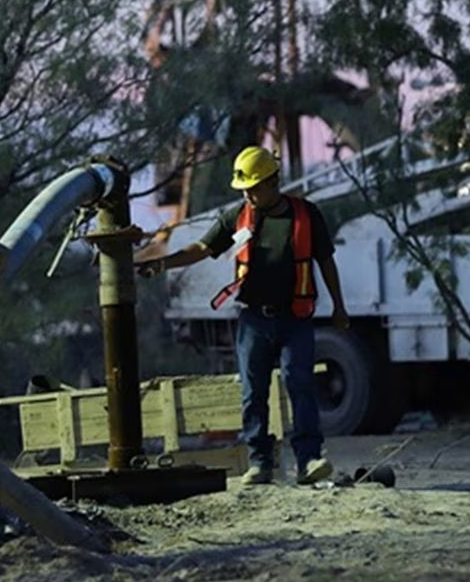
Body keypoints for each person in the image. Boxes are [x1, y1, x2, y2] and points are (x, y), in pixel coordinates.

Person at [136, 146, 350, 485]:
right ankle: (259, 463)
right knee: (253, 392)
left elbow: (326, 261)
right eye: (244, 189)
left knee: (300, 384)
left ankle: (309, 460)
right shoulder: (238, 216)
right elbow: (202, 248)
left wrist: (339, 306)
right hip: (254, 320)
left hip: (295, 318)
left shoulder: (306, 215)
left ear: (273, 182)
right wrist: (163, 263)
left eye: (253, 187)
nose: (247, 195)